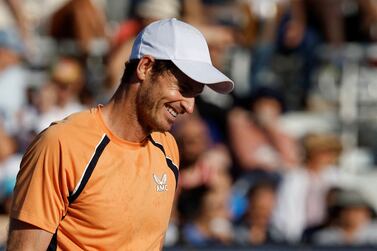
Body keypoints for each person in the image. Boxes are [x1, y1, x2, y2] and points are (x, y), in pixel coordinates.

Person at [7, 18, 234, 250]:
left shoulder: (168, 149)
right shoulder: (61, 144)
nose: (189, 106)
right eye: (183, 89)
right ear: (145, 67)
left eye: (196, 95)